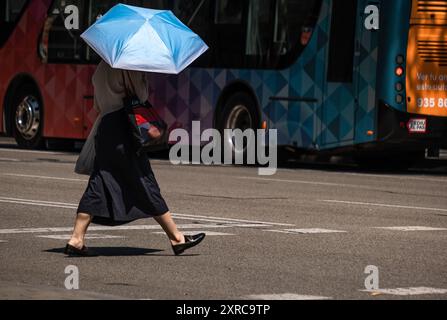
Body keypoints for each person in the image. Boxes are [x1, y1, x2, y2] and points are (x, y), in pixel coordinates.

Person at [66, 60, 205, 256]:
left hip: (106, 128)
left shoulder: (100, 69)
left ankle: (76, 238)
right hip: (126, 128)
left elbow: (98, 104)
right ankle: (176, 238)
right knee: (144, 181)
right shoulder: (130, 68)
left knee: (99, 180)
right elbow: (141, 96)